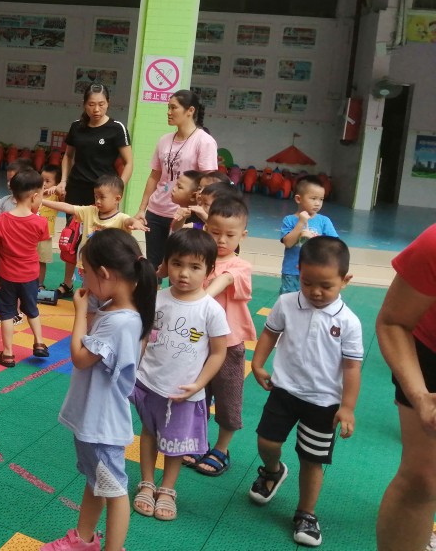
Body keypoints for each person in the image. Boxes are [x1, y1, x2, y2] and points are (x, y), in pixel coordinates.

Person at [41, 230, 157, 551]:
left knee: (115, 491)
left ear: (104, 273)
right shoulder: (117, 310)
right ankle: (83, 539)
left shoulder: (121, 322)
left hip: (102, 425)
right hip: (94, 420)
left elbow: (80, 358)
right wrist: (92, 303)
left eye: (85, 273)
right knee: (96, 483)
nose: (84, 280)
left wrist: (79, 311)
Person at [249, 236, 362, 547]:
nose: (315, 291)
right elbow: (270, 333)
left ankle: (306, 513)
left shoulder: (348, 322)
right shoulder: (287, 303)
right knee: (266, 441)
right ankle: (273, 471)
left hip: (323, 402)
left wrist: (347, 407)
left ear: (345, 280)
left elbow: (352, 368)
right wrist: (257, 364)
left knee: (312, 459)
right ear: (298, 272)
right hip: (284, 390)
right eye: (307, 282)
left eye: (326, 285)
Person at [132, 229, 229, 523]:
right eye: (177, 264)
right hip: (150, 383)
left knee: (176, 444)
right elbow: (144, 337)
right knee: (149, 433)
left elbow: (218, 353)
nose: (184, 273)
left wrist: (199, 384)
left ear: (209, 271)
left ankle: (167, 489)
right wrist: (134, 369)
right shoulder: (157, 299)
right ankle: (147, 482)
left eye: (195, 267)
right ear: (166, 263)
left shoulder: (211, 310)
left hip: (185, 391)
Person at [181, 196, 255, 477]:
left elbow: (226, 280)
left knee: (228, 397)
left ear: (242, 235)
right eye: (215, 232)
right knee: (196, 394)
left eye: (230, 235)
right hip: (198, 342)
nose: (221, 240)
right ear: (205, 229)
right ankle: (197, 441)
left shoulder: (240, 266)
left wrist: (201, 298)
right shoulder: (199, 261)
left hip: (229, 344)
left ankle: (222, 448)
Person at [376, 224, 436, 551]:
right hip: (430, 348)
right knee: (423, 477)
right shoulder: (433, 245)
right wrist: (421, 397)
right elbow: (393, 321)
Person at [53, 83, 133, 298]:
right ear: (84, 105)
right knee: (72, 237)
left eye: (101, 104)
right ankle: (67, 283)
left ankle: (102, 285)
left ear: (108, 103)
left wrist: (117, 190)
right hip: (77, 189)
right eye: (91, 104)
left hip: (103, 194)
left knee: (102, 239)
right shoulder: (76, 126)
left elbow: (129, 162)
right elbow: (68, 156)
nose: (96, 109)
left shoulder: (117, 128)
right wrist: (63, 181)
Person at [134, 90, 218, 269]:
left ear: (190, 111)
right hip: (156, 212)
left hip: (184, 215)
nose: (169, 112)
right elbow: (154, 176)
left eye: (173, 108)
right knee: (153, 267)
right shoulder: (164, 140)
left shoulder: (204, 141)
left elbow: (210, 183)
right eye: (168, 108)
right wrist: (142, 209)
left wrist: (199, 212)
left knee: (181, 266)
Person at [0, 169, 52, 368]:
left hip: (6, 274)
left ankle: (7, 353)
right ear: (34, 196)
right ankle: (39, 342)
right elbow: (40, 245)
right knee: (32, 309)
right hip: (30, 275)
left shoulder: (1, 220)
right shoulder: (40, 222)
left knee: (7, 313)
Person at [41, 174, 147, 286]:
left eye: (102, 197)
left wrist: (135, 222)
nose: (98, 201)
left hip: (110, 268)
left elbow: (128, 221)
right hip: (89, 265)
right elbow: (68, 207)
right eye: (96, 196)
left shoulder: (121, 218)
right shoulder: (90, 211)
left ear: (117, 199)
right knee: (87, 290)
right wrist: (42, 201)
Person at [279, 175, 337, 294]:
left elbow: (335, 245)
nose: (317, 203)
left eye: (321, 199)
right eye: (313, 198)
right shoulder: (289, 220)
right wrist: (300, 223)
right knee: (288, 300)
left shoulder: (324, 221)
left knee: (311, 300)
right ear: (298, 199)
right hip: (292, 272)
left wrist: (315, 240)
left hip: (316, 271)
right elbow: (288, 243)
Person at [38, 164, 62, 291]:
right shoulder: (35, 194)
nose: (44, 183)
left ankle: (39, 284)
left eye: (48, 181)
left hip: (46, 235)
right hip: (31, 233)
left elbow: (64, 194)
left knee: (41, 261)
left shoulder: (56, 196)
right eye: (42, 180)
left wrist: (57, 188)